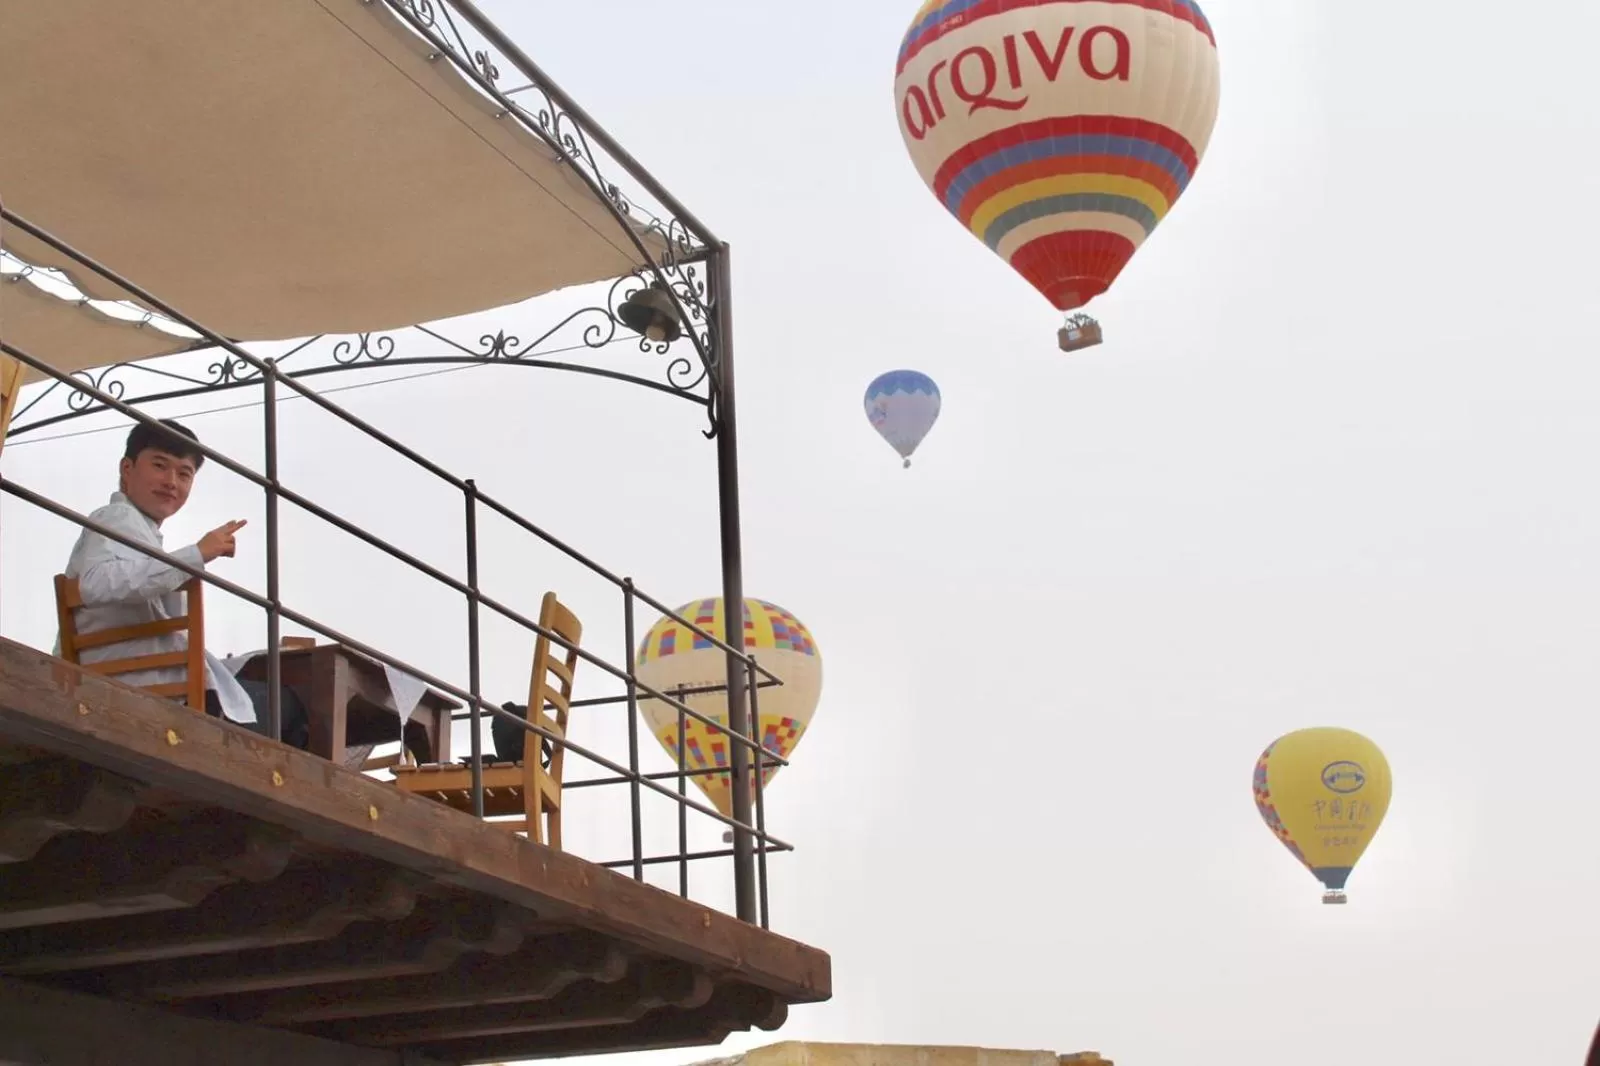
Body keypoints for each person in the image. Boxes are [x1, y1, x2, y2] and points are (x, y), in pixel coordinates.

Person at [60, 417, 310, 749]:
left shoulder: (136, 528)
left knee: (256, 692)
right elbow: (95, 584)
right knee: (291, 704)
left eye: (184, 474)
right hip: (149, 690)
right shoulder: (116, 518)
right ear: (127, 468)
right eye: (160, 466)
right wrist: (195, 555)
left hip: (130, 680)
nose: (171, 482)